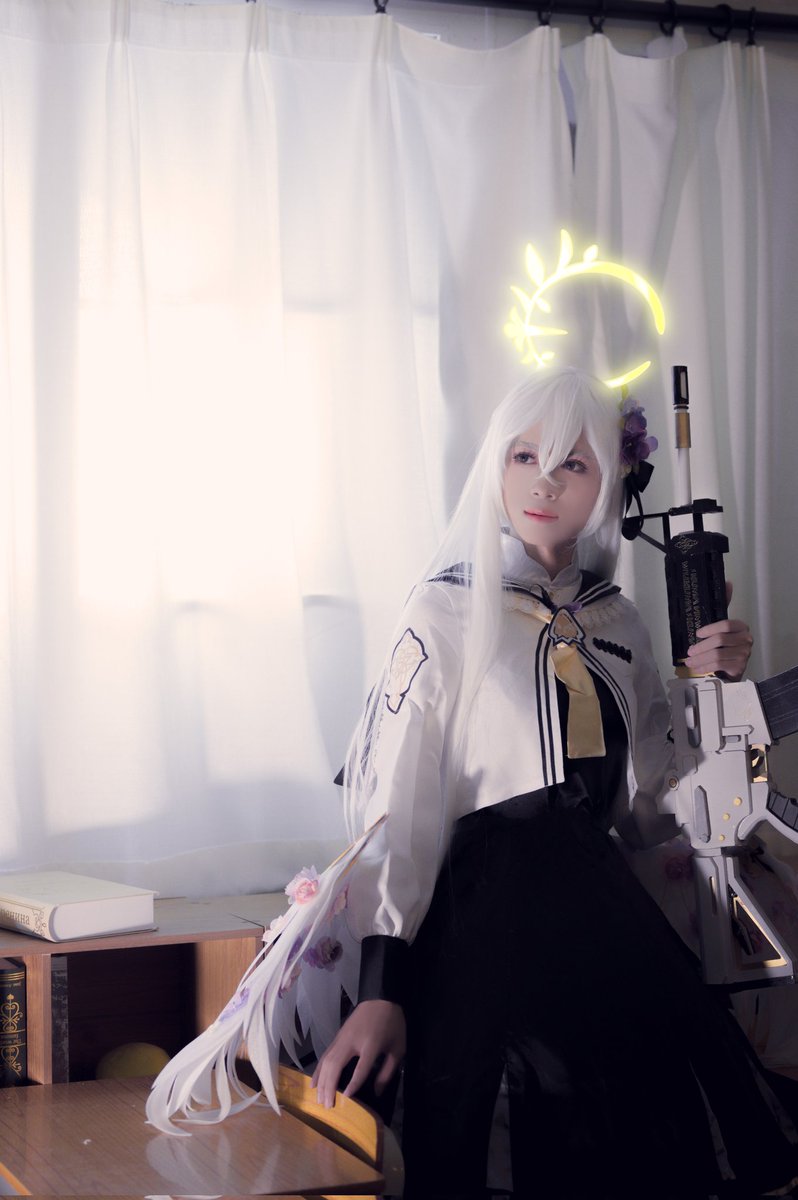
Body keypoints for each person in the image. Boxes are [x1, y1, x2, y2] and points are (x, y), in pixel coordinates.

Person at [147, 368, 797, 1199]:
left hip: (605, 918)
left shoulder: (620, 622)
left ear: (612, 485)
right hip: (480, 919)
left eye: (573, 464)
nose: (543, 482)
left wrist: (712, 688)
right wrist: (381, 990)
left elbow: (645, 815)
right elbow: (400, 809)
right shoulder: (444, 612)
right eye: (524, 456)